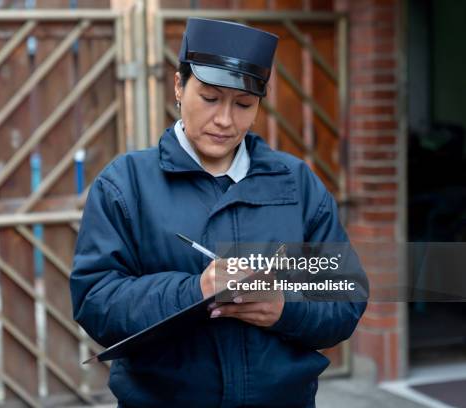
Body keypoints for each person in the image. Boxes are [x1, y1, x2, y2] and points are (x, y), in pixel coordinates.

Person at [70, 17, 368, 407]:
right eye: (210, 98)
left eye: (244, 105)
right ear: (178, 86)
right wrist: (196, 290)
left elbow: (345, 298)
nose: (226, 120)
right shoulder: (125, 185)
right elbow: (96, 301)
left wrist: (285, 308)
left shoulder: (297, 184)